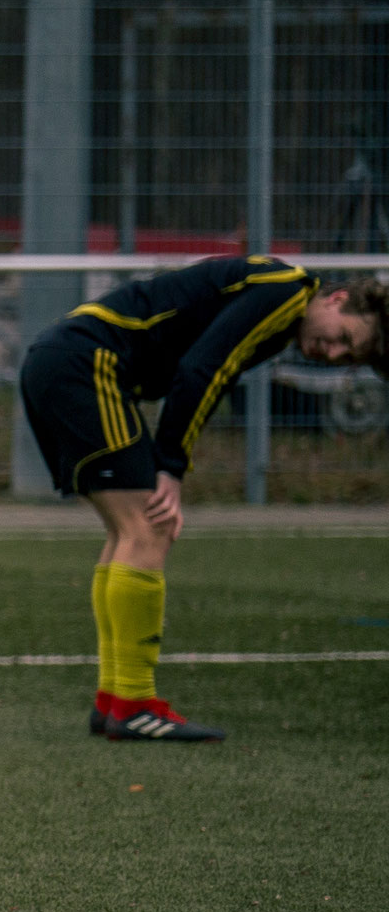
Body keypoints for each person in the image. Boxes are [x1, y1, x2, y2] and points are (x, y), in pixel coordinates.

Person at [19, 257, 388, 742]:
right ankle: (132, 704)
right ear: (338, 299)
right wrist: (171, 467)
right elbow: (204, 369)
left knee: (127, 531)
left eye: (348, 358)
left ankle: (114, 702)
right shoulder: (288, 293)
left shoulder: (281, 302)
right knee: (150, 527)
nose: (333, 353)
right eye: (345, 338)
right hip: (86, 363)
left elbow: (205, 365)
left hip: (64, 359)